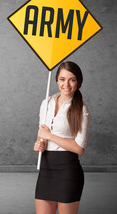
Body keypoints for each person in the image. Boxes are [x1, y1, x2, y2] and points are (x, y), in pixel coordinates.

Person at [33, 61, 90, 214]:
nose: (67, 84)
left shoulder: (81, 109)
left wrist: (49, 136)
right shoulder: (46, 103)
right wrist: (39, 145)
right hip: (46, 169)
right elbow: (42, 136)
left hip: (68, 171)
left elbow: (79, 148)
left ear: (78, 82)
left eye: (72, 79)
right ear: (57, 80)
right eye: (62, 79)